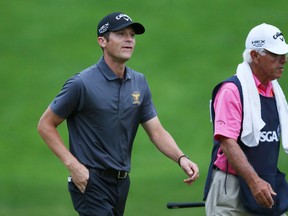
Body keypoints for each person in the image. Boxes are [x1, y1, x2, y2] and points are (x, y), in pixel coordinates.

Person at [37, 12, 199, 216]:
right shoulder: (81, 84)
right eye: (121, 34)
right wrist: (73, 166)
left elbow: (156, 131)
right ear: (102, 41)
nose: (129, 39)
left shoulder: (139, 82)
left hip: (122, 182)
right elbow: (45, 125)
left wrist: (181, 158)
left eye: (132, 35)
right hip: (90, 180)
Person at [203, 23, 288, 216]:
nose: (283, 60)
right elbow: (227, 142)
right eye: (275, 55)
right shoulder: (232, 90)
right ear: (254, 56)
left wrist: (260, 183)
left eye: (284, 54)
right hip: (231, 189)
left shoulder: (275, 92)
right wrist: (255, 182)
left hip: (266, 184)